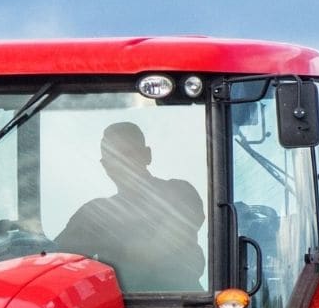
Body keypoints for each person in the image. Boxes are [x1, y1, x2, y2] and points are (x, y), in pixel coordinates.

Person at [55, 122, 206, 291]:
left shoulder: (179, 192)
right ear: (105, 166)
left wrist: (109, 245)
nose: (121, 165)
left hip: (179, 306)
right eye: (112, 159)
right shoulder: (93, 213)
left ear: (147, 155)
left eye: (128, 154)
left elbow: (155, 250)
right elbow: (56, 259)